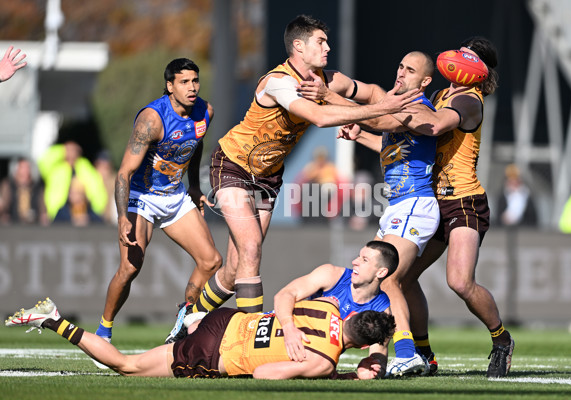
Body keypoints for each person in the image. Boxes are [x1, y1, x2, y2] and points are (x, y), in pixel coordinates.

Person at [166, 14, 420, 337]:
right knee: (252, 249)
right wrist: (382, 110)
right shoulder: (279, 82)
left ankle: (190, 316)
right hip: (233, 165)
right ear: (298, 47)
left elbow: (367, 91)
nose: (328, 46)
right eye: (320, 42)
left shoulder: (327, 80)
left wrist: (393, 103)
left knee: (233, 272)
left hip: (268, 178)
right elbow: (317, 115)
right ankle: (247, 339)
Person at [387, 37, 515, 378]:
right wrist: (364, 128)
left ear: (478, 69)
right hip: (433, 200)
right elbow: (411, 133)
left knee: (459, 282)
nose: (460, 60)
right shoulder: (439, 95)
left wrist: (379, 108)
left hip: (464, 200)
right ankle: (424, 353)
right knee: (405, 277)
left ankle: (501, 340)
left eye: (469, 58)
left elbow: (435, 125)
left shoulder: (470, 100)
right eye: (461, 53)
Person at [94, 58, 222, 352]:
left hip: (175, 197)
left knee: (211, 261)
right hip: (141, 199)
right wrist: (123, 216)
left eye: (195, 81)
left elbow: (196, 143)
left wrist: (194, 187)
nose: (192, 88)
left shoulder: (206, 111)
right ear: (170, 86)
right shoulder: (152, 119)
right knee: (129, 268)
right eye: (184, 82)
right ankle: (104, 330)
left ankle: (185, 316)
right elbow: (124, 172)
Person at [335, 51, 440, 376]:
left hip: (414, 206)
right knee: (401, 283)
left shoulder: (419, 107)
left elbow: (379, 119)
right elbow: (388, 144)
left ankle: (406, 353)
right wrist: (360, 135)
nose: (401, 73)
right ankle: (420, 355)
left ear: (424, 82)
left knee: (388, 277)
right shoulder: (400, 105)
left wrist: (328, 96)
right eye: (400, 66)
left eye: (410, 70)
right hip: (398, 208)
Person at [5, 297, 395, 380]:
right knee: (126, 367)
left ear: (356, 315)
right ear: (361, 345)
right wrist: (340, 377)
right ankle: (53, 320)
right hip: (213, 353)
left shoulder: (328, 307)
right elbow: (264, 377)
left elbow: (286, 296)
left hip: (227, 319)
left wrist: (288, 326)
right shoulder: (324, 361)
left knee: (130, 363)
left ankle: (191, 317)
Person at [273, 240, 398, 378]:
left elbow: (379, 354)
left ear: (381, 272)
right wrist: (289, 328)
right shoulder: (332, 275)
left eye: (364, 260)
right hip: (276, 333)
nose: (354, 261)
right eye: (358, 256)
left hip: (304, 357)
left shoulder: (381, 314)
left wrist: (372, 367)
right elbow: (285, 294)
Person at [37, 140, 108, 221]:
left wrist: (93, 212)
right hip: (56, 214)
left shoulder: (84, 166)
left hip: (82, 214)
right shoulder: (56, 167)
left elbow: (97, 189)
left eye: (74, 150)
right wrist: (61, 150)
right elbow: (43, 162)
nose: (71, 152)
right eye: (69, 149)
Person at [0, 157, 47, 225]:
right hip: (12, 225)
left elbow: (43, 210)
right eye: (22, 168)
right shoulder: (8, 186)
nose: (25, 171)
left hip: (34, 226)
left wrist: (43, 217)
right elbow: (4, 205)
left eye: (27, 168)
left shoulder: (37, 188)